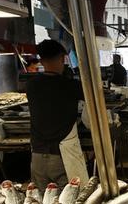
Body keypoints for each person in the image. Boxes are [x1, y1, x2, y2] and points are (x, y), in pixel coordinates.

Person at [26, 39, 89, 190]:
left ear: (41, 60)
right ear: (62, 58)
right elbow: (93, 100)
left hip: (37, 156)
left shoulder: (31, 84)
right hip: (62, 157)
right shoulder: (70, 86)